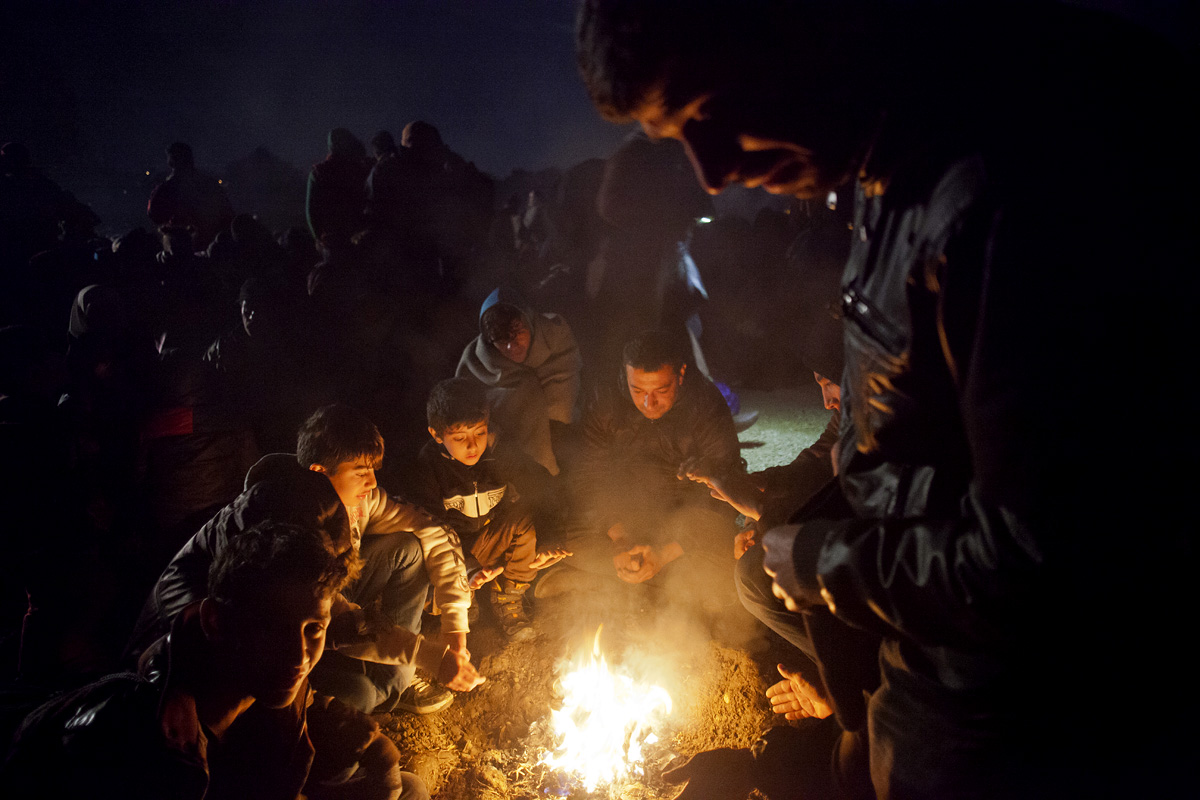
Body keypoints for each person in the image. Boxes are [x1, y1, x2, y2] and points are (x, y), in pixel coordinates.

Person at [577, 1, 1195, 798]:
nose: (713, 172)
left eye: (712, 111)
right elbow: (919, 437)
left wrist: (828, 561)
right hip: (931, 653)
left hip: (1009, 707)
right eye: (678, 140)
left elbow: (1049, 561)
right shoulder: (886, 167)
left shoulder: (1008, 186)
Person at [1, 521, 428, 800]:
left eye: (313, 629)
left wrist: (375, 749)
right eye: (271, 628)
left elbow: (304, 713)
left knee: (407, 788)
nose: (299, 655)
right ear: (216, 621)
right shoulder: (152, 749)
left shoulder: (258, 672)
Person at [297, 404, 479, 716]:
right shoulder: (293, 528)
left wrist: (454, 628)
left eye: (372, 471)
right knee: (361, 697)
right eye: (360, 472)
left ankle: (394, 679)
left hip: (336, 602)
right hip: (295, 633)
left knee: (408, 546)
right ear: (319, 472)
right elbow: (333, 615)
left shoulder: (362, 501)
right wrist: (428, 656)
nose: (371, 483)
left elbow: (433, 528)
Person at [568, 330, 743, 598]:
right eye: (637, 389)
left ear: (681, 374)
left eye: (661, 390)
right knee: (566, 538)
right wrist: (619, 538)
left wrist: (664, 554)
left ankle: (626, 583)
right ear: (625, 376)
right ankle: (656, 586)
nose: (648, 403)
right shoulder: (605, 401)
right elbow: (589, 475)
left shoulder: (705, 404)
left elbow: (728, 485)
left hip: (685, 519)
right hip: (626, 512)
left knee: (725, 561)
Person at [413, 378, 571, 641]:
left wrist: (549, 536)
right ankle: (465, 598)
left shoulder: (499, 452)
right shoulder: (427, 467)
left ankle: (508, 596)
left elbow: (542, 485)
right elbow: (432, 530)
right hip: (452, 553)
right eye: (460, 437)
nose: (473, 445)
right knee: (429, 564)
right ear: (437, 434)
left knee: (526, 516)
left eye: (480, 432)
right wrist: (467, 567)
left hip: (490, 542)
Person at [456, 286, 583, 475]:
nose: (511, 346)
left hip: (570, 443)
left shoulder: (555, 336)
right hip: (509, 459)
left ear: (530, 322)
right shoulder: (475, 363)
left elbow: (568, 390)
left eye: (517, 334)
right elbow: (464, 412)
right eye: (501, 341)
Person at [146, 142, 233, 252]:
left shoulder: (169, 187)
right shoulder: (209, 183)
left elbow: (153, 213)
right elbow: (227, 212)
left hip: (180, 249)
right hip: (211, 246)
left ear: (171, 161)